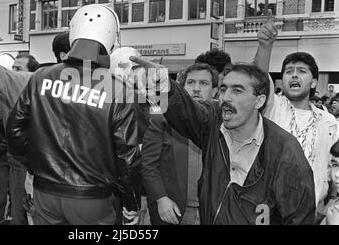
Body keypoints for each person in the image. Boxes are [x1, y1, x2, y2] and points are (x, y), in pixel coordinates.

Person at [130, 57, 316, 224]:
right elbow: (186, 113)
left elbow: (298, 217)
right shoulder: (213, 123)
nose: (226, 98)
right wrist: (165, 88)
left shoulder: (285, 152)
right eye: (224, 89)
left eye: (237, 91)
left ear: (258, 101)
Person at [6, 4, 142, 225]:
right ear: (112, 40)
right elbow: (128, 156)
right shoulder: (119, 89)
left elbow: (14, 130)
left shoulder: (41, 76)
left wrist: (36, 166)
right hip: (92, 197)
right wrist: (131, 202)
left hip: (45, 191)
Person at [0, 26, 69, 225]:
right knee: (20, 214)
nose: (13, 73)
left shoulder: (33, 82)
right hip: (26, 165)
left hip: (41, 168)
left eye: (18, 69)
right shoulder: (48, 83)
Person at [254, 13, 339, 208]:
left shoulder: (329, 122)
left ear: (314, 82)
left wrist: (330, 203)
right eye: (288, 71)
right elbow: (258, 78)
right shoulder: (273, 106)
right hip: (270, 208)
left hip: (311, 209)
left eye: (301, 71)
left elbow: (334, 163)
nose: (294, 75)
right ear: (281, 80)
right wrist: (265, 46)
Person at [142, 63, 218, 225]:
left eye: (204, 83)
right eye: (191, 83)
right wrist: (161, 199)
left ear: (215, 91)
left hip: (210, 212)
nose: (196, 88)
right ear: (182, 88)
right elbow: (148, 165)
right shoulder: (162, 116)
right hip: (173, 211)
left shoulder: (224, 122)